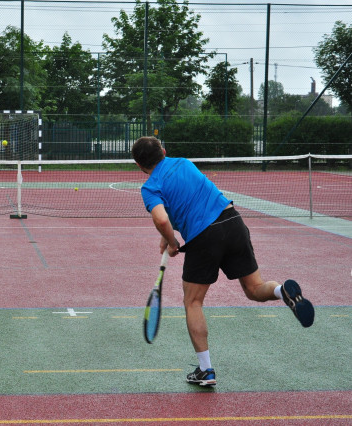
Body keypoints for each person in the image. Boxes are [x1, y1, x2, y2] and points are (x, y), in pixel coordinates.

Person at [131, 136, 314, 387]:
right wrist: (169, 235)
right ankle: (281, 291)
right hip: (233, 221)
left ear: (139, 166)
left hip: (204, 236)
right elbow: (183, 201)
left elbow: (161, 219)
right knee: (253, 288)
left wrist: (171, 240)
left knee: (193, 302)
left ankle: (206, 371)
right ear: (163, 151)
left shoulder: (150, 188)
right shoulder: (183, 163)